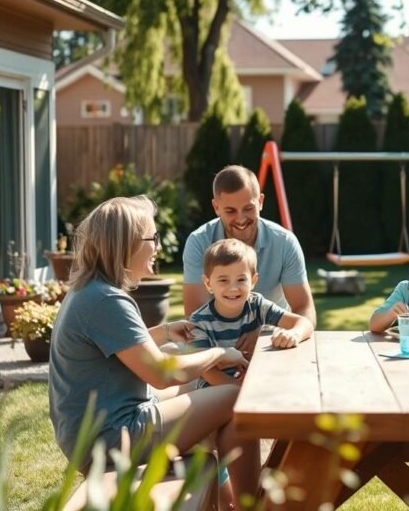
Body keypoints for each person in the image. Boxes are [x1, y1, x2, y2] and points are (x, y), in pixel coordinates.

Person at [48, 195, 257, 509]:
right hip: (111, 441)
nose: (157, 246)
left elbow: (119, 349)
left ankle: (230, 501)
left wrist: (165, 331)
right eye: (152, 238)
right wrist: (219, 353)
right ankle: (251, 504)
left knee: (194, 389)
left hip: (92, 435)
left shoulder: (88, 291)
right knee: (232, 396)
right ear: (127, 244)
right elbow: (161, 374)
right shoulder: (107, 300)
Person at [183, 165, 316, 354]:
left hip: (274, 343)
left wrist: (264, 336)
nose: (241, 219)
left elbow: (304, 310)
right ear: (216, 207)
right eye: (230, 211)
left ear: (260, 201)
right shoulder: (198, 242)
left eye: (248, 208)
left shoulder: (284, 242)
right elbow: (194, 315)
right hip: (217, 348)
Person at [189, 238, 313, 387]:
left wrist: (294, 334)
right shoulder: (199, 321)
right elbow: (207, 372)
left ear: (253, 281)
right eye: (223, 280)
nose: (233, 288)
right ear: (208, 284)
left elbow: (304, 323)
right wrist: (240, 389)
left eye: (241, 279)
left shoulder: (257, 305)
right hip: (215, 389)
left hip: (254, 380)